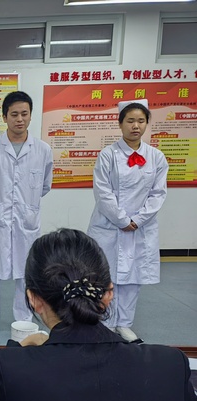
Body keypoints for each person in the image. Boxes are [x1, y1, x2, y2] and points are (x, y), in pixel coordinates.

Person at [0, 228, 197, 401]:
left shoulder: (14, 370)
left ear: (33, 299)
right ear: (108, 294)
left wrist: (19, 347)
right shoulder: (170, 365)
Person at [88, 99, 168, 343]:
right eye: (130, 121)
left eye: (141, 121)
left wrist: (138, 220)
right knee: (106, 276)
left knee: (134, 278)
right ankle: (106, 322)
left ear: (147, 124)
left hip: (140, 228)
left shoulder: (156, 157)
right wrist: (122, 219)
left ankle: (124, 324)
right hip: (110, 225)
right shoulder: (108, 155)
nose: (136, 126)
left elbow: (158, 193)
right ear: (120, 123)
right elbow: (102, 192)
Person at [0, 91, 53, 339]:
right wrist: (1, 205)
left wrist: (23, 205)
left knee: (25, 274)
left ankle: (23, 320)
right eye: (14, 114)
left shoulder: (42, 150)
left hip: (26, 221)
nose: (20, 119)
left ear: (30, 115)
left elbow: (45, 185)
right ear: (4, 117)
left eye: (24, 114)